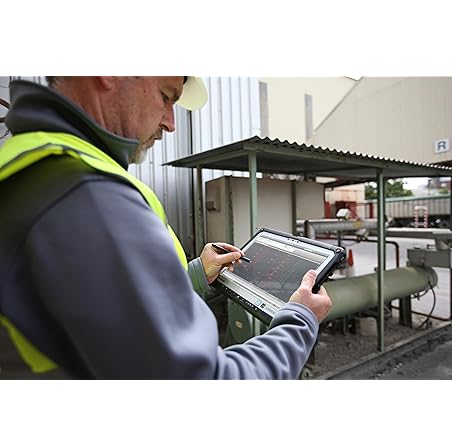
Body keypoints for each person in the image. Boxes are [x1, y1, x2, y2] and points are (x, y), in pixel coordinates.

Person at [0, 76, 331, 379]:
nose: (170, 123)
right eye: (166, 96)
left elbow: (114, 313)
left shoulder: (29, 161)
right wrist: (300, 320)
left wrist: (198, 274)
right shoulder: (88, 193)